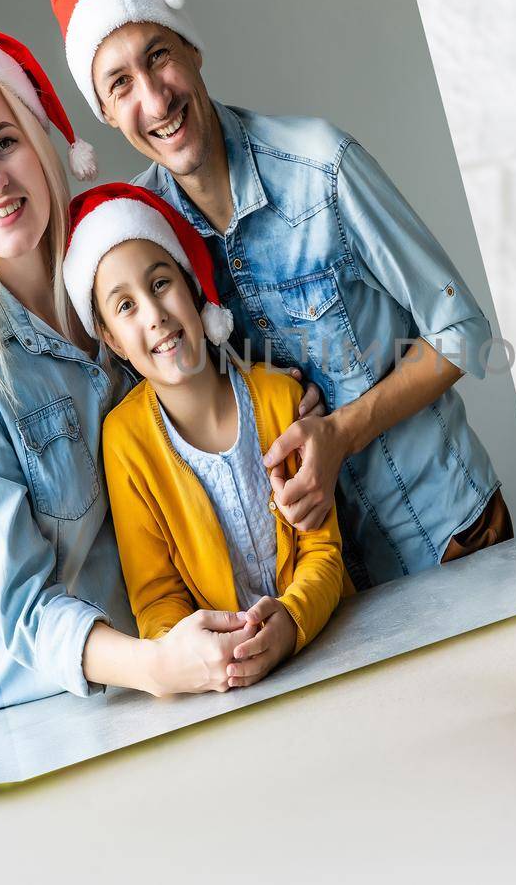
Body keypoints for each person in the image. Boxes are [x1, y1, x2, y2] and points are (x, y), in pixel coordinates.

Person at [47, 0, 514, 588]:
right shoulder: (142, 239)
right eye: (120, 84)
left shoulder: (321, 163)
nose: (154, 99)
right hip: (326, 580)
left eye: (160, 57)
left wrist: (341, 434)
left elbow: (463, 334)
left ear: (193, 50)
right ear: (103, 112)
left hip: (451, 531)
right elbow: (108, 381)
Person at [0, 23, 260, 712]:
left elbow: (216, 392)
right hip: (60, 713)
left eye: (3, 142)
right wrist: (156, 664)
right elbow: (22, 609)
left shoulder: (112, 273)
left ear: (39, 141)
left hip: (190, 665)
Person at [64, 183, 352, 686]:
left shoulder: (280, 396)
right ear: (109, 337)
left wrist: (292, 623)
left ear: (192, 284)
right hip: (222, 689)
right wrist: (201, 657)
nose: (154, 315)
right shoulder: (124, 441)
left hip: (332, 649)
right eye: (125, 306)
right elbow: (156, 599)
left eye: (160, 284)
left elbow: (323, 551)